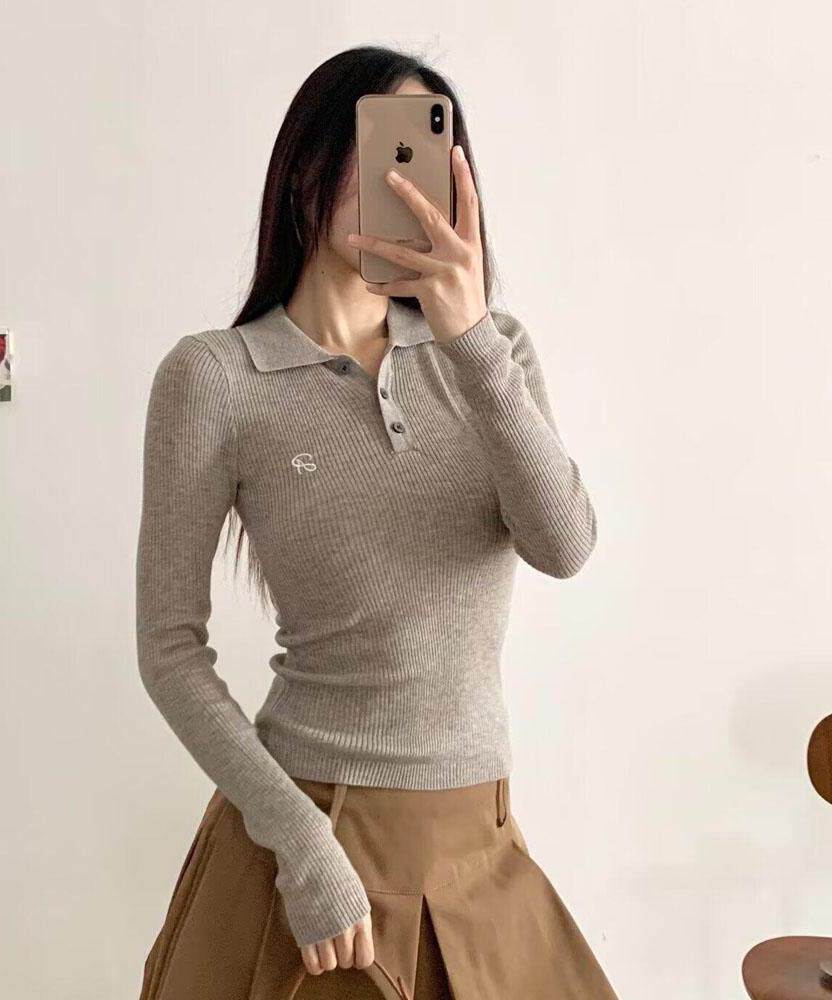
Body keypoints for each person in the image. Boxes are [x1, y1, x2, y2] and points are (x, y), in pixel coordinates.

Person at [135, 45, 619, 1000]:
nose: (403, 184)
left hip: (478, 843)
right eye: (379, 150)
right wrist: (301, 842)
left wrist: (469, 338)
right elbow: (169, 650)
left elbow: (564, 546)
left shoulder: (493, 351)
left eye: (422, 156)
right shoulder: (213, 378)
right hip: (313, 840)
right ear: (308, 169)